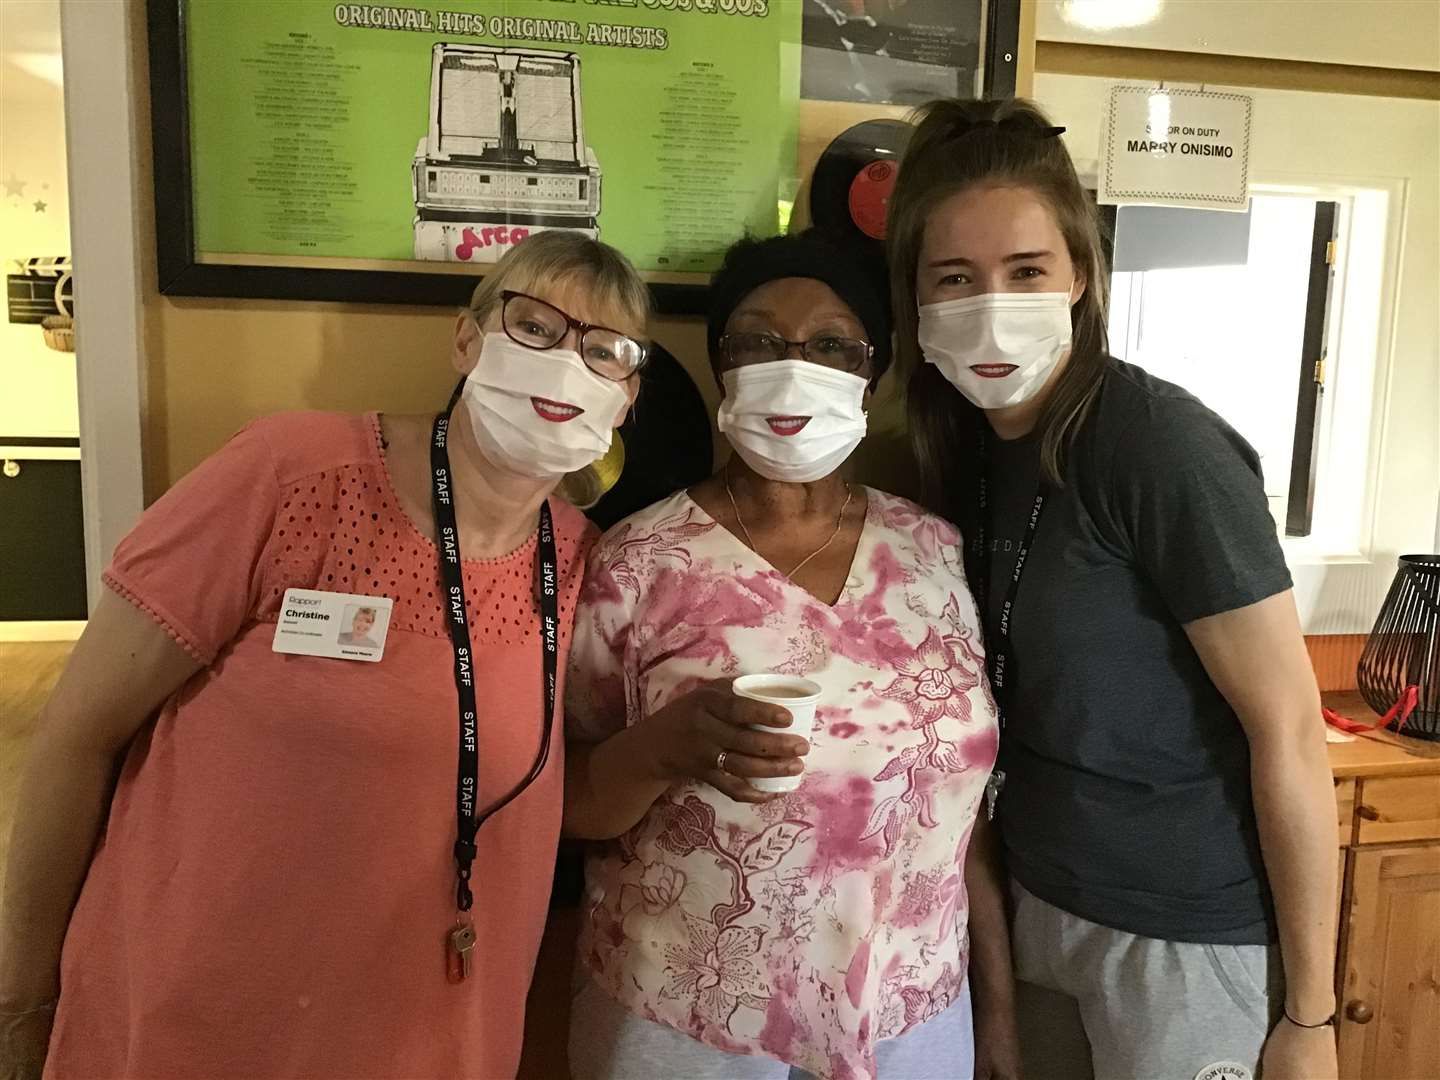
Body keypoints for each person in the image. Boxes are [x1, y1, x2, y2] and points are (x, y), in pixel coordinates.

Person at [0, 231, 650, 1079]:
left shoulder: (586, 563)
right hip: (196, 1021)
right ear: (468, 338)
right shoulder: (291, 476)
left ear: (625, 400)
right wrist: (19, 1004)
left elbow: (572, 788)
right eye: (535, 327)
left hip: (430, 1036)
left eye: (604, 351)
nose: (568, 365)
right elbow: (76, 737)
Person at [889, 97, 1339, 1080]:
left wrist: (1312, 1018)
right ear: (915, 299)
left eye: (1026, 272)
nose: (991, 307)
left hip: (1179, 935)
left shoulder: (1159, 447)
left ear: (1081, 277)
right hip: (1038, 907)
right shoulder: (956, 449)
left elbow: (1290, 733)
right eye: (954, 279)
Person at [563, 230, 1019, 1080]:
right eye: (759, 342)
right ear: (721, 365)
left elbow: (967, 819)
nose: (793, 365)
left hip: (917, 1019)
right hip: (690, 1026)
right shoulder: (635, 563)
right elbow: (565, 798)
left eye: (831, 345)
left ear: (871, 371)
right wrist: (664, 748)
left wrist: (997, 1012)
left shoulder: (934, 552)